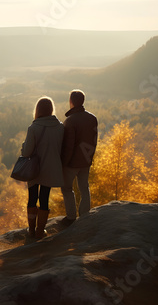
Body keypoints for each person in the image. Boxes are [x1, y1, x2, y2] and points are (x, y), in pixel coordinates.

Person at [21, 96, 64, 240]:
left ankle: (31, 231)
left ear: (37, 110)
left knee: (32, 198)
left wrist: (23, 145)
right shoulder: (60, 127)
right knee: (44, 198)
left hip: (34, 169)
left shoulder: (33, 127)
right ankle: (41, 231)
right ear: (51, 109)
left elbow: (26, 152)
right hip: (50, 168)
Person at [60, 89, 98, 225]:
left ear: (71, 102)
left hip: (72, 162)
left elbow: (68, 146)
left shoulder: (70, 121)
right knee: (84, 187)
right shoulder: (92, 118)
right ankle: (85, 215)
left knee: (66, 188)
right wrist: (90, 158)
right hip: (86, 160)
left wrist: (64, 163)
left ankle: (71, 217)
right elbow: (94, 141)